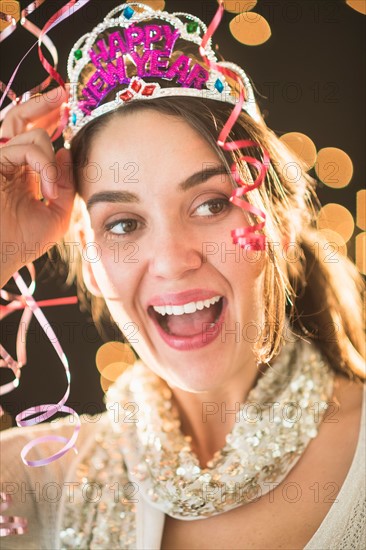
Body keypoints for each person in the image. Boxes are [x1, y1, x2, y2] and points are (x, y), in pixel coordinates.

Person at [0, 2, 365, 549]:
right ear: (92, 264)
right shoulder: (36, 485)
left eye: (210, 205)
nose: (172, 260)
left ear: (277, 225)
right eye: (123, 223)